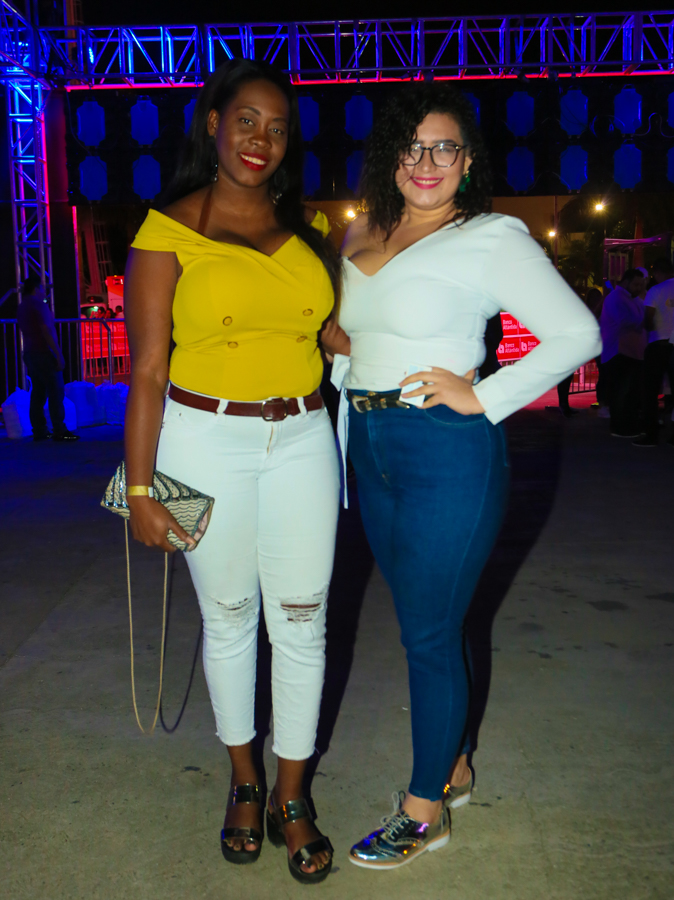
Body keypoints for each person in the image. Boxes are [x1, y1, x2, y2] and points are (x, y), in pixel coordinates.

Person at [322, 82, 601, 871]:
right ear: (390, 158)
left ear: (468, 160)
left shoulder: (490, 236)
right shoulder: (362, 232)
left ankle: (424, 810)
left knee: (428, 633)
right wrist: (344, 346)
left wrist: (485, 396)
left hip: (445, 447)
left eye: (444, 146)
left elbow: (577, 334)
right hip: (368, 441)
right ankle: (457, 764)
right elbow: (363, 332)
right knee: (432, 622)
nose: (427, 162)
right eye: (411, 147)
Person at [123, 60, 340, 884]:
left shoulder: (308, 228)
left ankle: (292, 794)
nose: (262, 140)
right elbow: (147, 370)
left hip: (305, 439)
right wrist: (140, 490)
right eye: (247, 120)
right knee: (229, 619)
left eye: (277, 128)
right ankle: (245, 781)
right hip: (202, 441)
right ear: (213, 123)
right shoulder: (166, 231)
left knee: (303, 622)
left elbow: (322, 326)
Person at [16, 275, 79, 442]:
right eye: (42, 288)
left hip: (30, 352)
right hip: (44, 352)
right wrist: (58, 354)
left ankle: (39, 430)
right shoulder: (39, 306)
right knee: (56, 391)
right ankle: (59, 429)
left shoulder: (22, 307)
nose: (44, 292)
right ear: (36, 289)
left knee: (38, 392)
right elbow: (47, 330)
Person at [599, 269, 647, 438]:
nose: (639, 288)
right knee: (621, 392)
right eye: (636, 284)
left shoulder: (633, 299)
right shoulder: (616, 298)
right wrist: (645, 321)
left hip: (630, 352)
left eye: (641, 285)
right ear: (626, 282)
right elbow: (625, 320)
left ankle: (627, 425)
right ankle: (620, 427)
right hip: (618, 352)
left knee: (629, 392)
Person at [633, 258, 674, 447]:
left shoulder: (655, 290)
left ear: (657, 273)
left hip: (658, 343)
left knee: (650, 391)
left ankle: (651, 434)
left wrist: (648, 327)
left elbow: (648, 318)